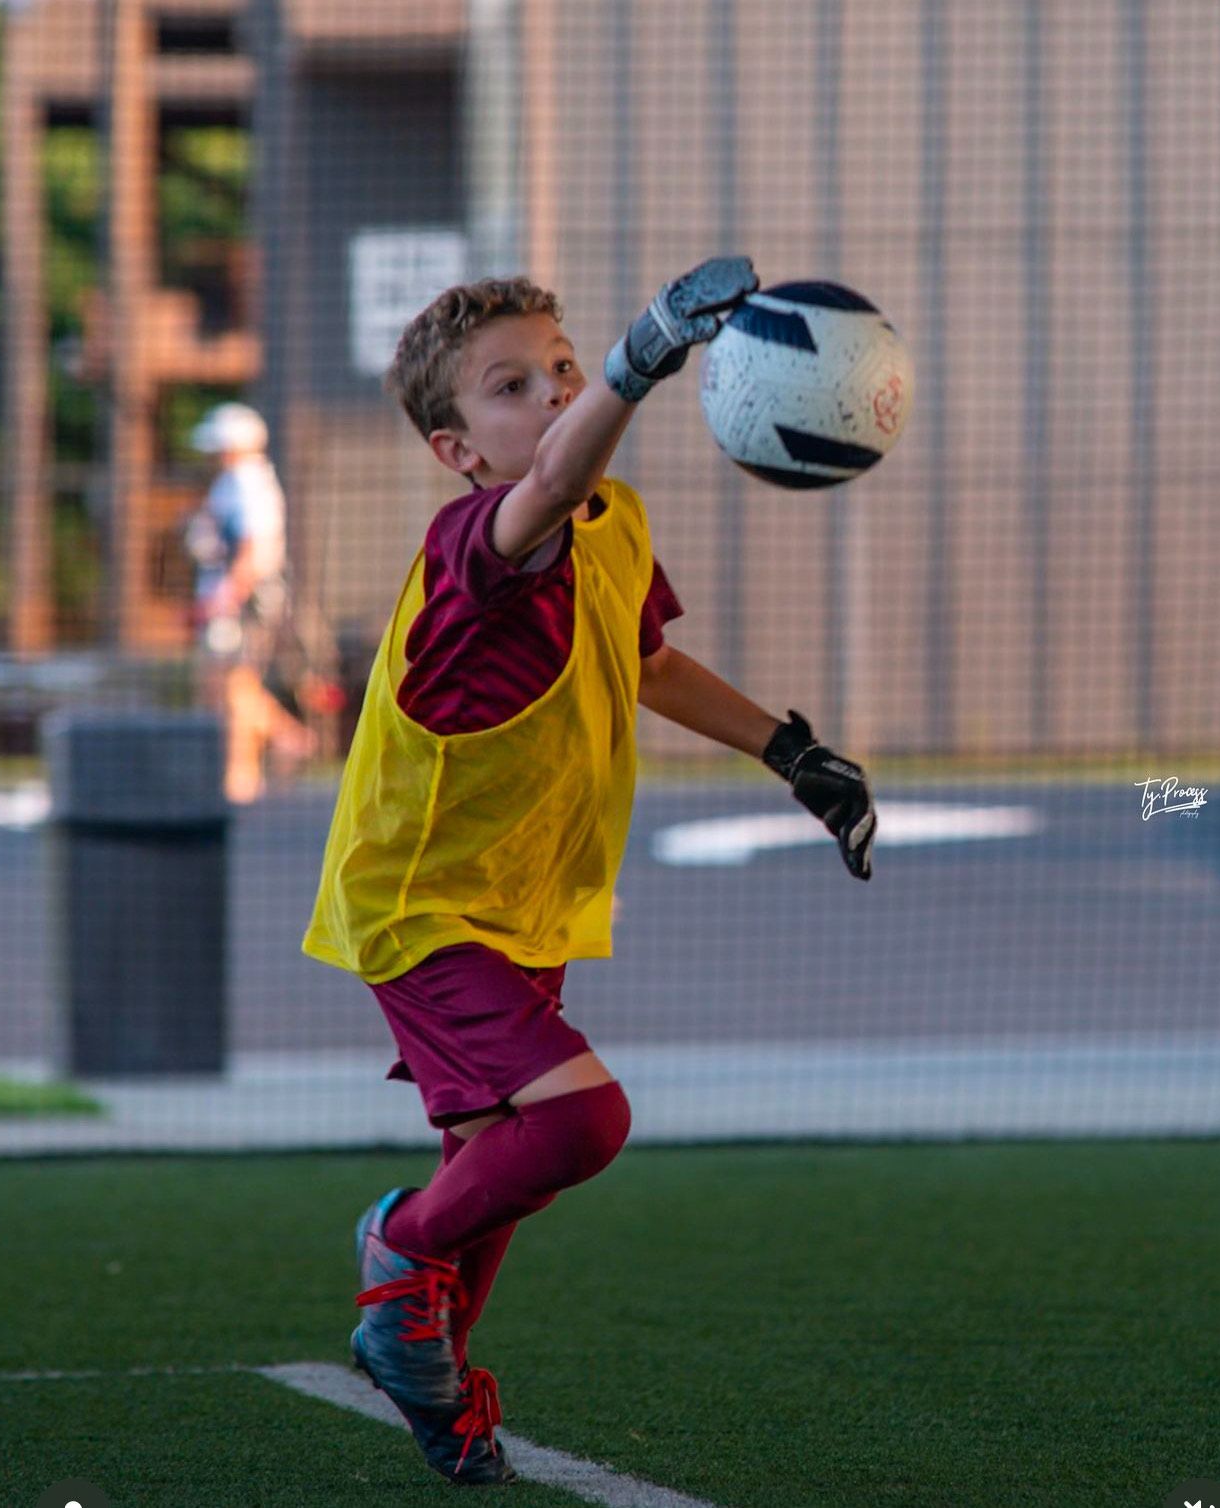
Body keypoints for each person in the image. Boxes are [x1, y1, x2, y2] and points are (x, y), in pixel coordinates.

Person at [302, 263, 877, 1486]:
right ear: (459, 451)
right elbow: (554, 476)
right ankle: (397, 1249)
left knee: (496, 1169)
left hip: (519, 907)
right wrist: (649, 347)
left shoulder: (609, 525)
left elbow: (651, 664)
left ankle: (429, 1364)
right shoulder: (480, 542)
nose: (556, 392)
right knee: (580, 1120)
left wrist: (791, 751)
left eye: (561, 366)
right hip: (422, 905)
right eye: (515, 386)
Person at [185, 402, 317, 804]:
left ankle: (240, 777)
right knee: (225, 685)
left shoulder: (247, 483)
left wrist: (226, 597)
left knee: (232, 686)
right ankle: (289, 738)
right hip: (233, 601)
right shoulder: (234, 482)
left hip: (244, 604)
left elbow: (253, 550)